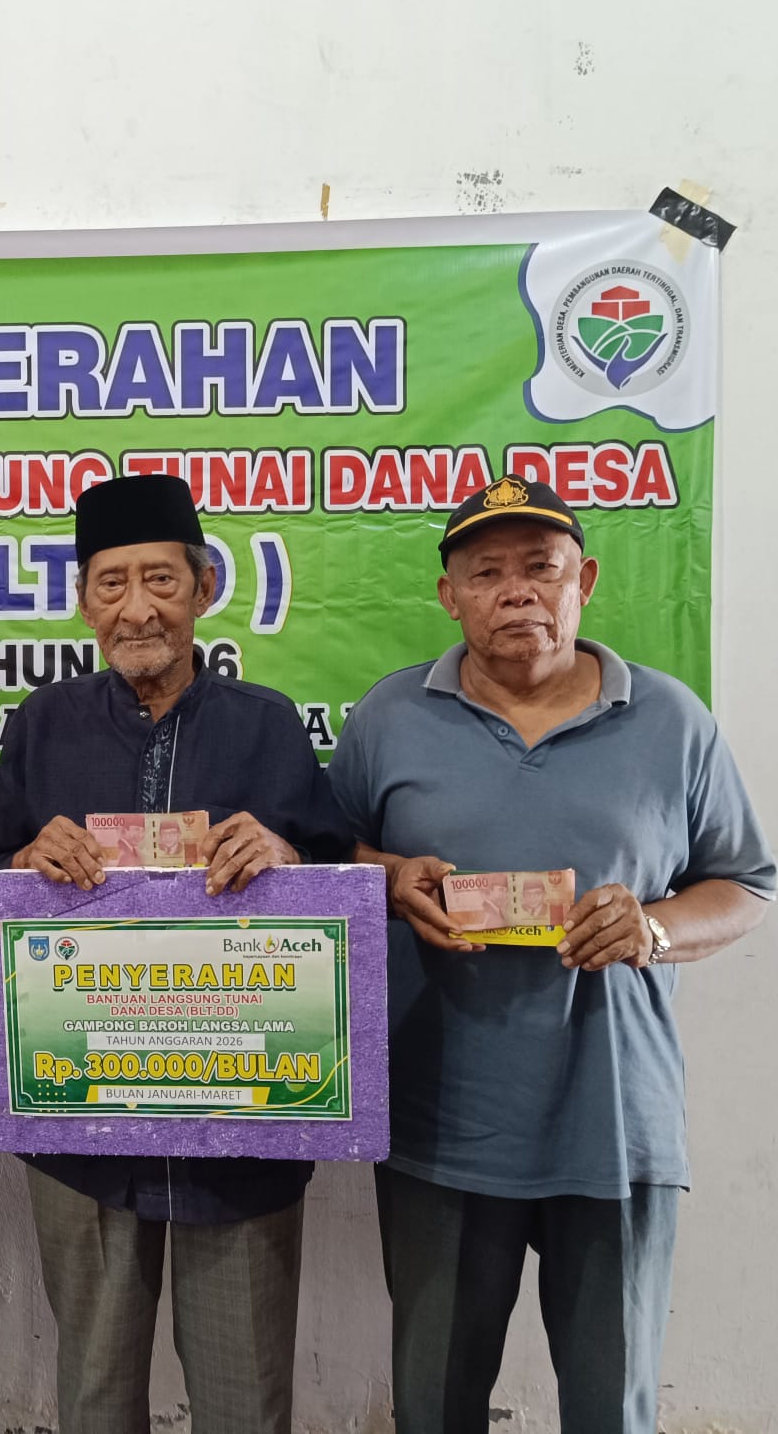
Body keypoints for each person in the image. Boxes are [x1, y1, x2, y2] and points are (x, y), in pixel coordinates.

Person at [328, 475, 773, 1434]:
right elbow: (322, 859)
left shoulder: (671, 720)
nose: (517, 590)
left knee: (612, 1410)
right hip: (441, 1124)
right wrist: (387, 877)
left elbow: (747, 885)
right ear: (450, 597)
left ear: (586, 581)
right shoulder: (390, 717)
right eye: (487, 573)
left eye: (542, 567)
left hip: (615, 1125)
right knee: (433, 1407)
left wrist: (654, 929)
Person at [0, 473, 353, 1434]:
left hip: (242, 1123)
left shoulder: (266, 724)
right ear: (83, 602)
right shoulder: (44, 724)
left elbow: (339, 892)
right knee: (94, 1393)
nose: (137, 607)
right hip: (83, 1122)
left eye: (161, 580)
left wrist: (285, 856)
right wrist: (25, 861)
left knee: (244, 1396)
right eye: (111, 583)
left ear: (204, 588)